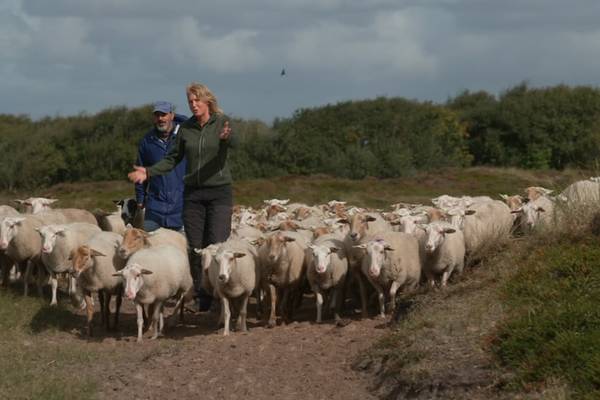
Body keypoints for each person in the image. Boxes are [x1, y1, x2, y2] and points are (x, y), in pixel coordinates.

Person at [128, 83, 237, 312]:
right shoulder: (186, 128)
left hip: (219, 192)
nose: (194, 105)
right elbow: (173, 158)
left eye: (197, 100)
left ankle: (222, 293)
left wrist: (227, 139)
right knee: (195, 248)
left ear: (207, 100)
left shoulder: (221, 122)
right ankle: (202, 295)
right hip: (193, 194)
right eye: (190, 102)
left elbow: (233, 146)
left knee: (217, 245)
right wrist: (148, 172)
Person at [135, 101, 188, 232]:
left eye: (164, 115)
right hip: (154, 210)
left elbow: (193, 122)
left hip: (181, 208)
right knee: (150, 249)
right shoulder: (147, 141)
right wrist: (140, 198)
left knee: (181, 250)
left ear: (172, 116)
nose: (160, 119)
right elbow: (140, 170)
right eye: (157, 115)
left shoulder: (185, 136)